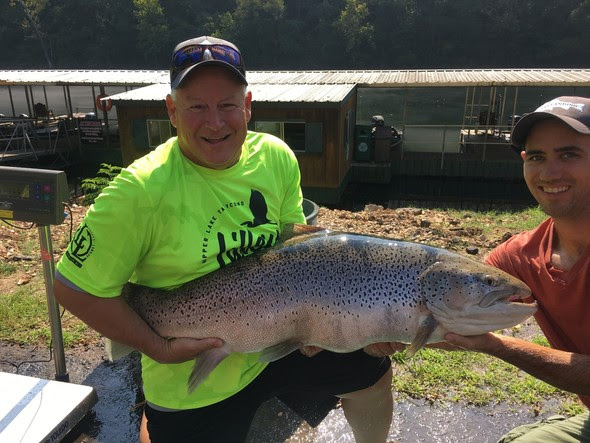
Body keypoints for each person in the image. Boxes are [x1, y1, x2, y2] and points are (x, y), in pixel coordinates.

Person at [53, 36, 393, 443]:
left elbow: (294, 251)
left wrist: (321, 328)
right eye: (197, 106)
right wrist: (157, 348)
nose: (215, 122)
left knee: (370, 373)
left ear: (247, 105)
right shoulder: (139, 191)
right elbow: (72, 288)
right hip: (193, 372)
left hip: (277, 340)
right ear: (172, 111)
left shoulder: (275, 156)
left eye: (227, 105)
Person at [446, 97, 590, 441]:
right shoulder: (518, 257)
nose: (549, 173)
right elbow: (453, 300)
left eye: (569, 154)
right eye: (537, 157)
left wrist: (495, 345)